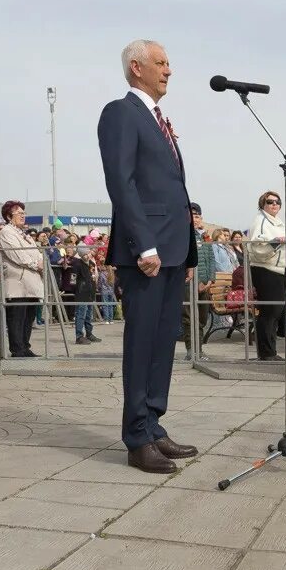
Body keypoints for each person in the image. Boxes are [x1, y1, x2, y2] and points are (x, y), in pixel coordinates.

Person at [99, 39, 198, 474]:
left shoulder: (160, 120)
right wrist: (146, 244)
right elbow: (121, 182)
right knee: (141, 344)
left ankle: (154, 423)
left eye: (169, 63)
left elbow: (172, 188)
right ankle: (136, 437)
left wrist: (187, 249)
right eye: (161, 63)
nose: (169, 70)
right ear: (137, 68)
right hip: (147, 250)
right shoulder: (121, 113)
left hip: (174, 246)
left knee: (163, 341)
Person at [247, 191, 286, 361]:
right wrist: (275, 243)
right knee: (269, 311)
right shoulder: (261, 221)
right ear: (263, 204)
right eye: (270, 201)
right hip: (267, 269)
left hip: (280, 270)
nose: (274, 204)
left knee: (276, 312)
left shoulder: (278, 222)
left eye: (277, 201)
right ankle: (266, 353)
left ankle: (270, 350)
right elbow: (257, 246)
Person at [0, 201, 44, 357]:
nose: (23, 216)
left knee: (28, 317)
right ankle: (17, 349)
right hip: (17, 282)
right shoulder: (6, 232)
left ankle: (25, 346)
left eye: (24, 213)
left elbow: (38, 253)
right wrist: (35, 264)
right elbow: (17, 255)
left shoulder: (25, 234)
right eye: (19, 213)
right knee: (17, 317)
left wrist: (39, 262)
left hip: (32, 283)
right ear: (9, 216)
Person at [182, 203, 214, 360]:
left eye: (197, 216)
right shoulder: (184, 234)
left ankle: (199, 349)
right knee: (189, 317)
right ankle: (191, 350)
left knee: (202, 318)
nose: (195, 219)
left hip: (205, 284)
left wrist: (210, 279)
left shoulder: (204, 236)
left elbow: (211, 259)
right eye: (192, 216)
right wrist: (198, 280)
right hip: (190, 282)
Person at [60, 244, 99, 344]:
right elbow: (73, 279)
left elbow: (93, 277)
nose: (87, 256)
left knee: (88, 314)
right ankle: (79, 336)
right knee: (81, 314)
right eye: (84, 254)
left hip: (90, 292)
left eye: (88, 253)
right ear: (81, 255)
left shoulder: (91, 264)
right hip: (81, 293)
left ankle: (89, 333)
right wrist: (76, 289)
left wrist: (94, 288)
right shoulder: (77, 264)